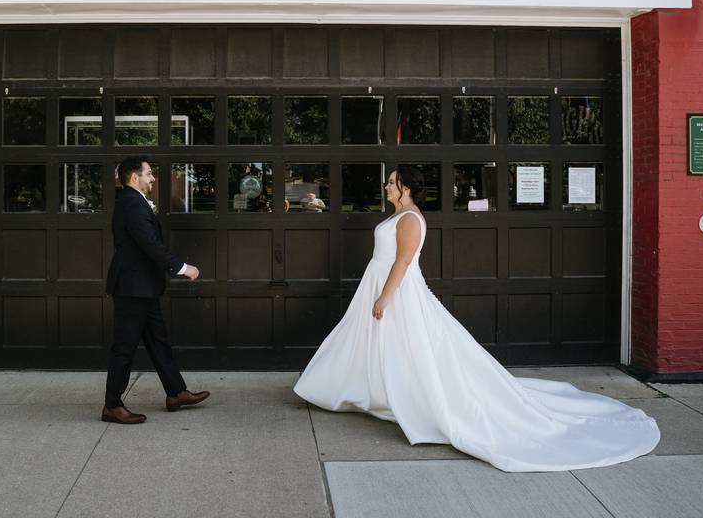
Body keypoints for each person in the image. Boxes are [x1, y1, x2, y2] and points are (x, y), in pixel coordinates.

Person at [294, 165, 660, 472]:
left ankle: (405, 398)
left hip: (397, 291)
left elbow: (403, 262)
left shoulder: (409, 219)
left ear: (405, 187)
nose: (386, 185)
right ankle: (360, 390)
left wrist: (385, 297)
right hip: (379, 284)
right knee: (367, 342)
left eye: (391, 181)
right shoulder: (396, 216)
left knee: (410, 348)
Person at [102, 158, 209, 424]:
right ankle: (112, 405)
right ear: (134, 177)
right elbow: (149, 244)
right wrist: (183, 267)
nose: (153, 178)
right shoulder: (131, 203)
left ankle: (176, 393)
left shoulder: (133, 202)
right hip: (132, 288)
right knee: (124, 348)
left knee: (159, 342)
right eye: (149, 174)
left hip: (143, 287)